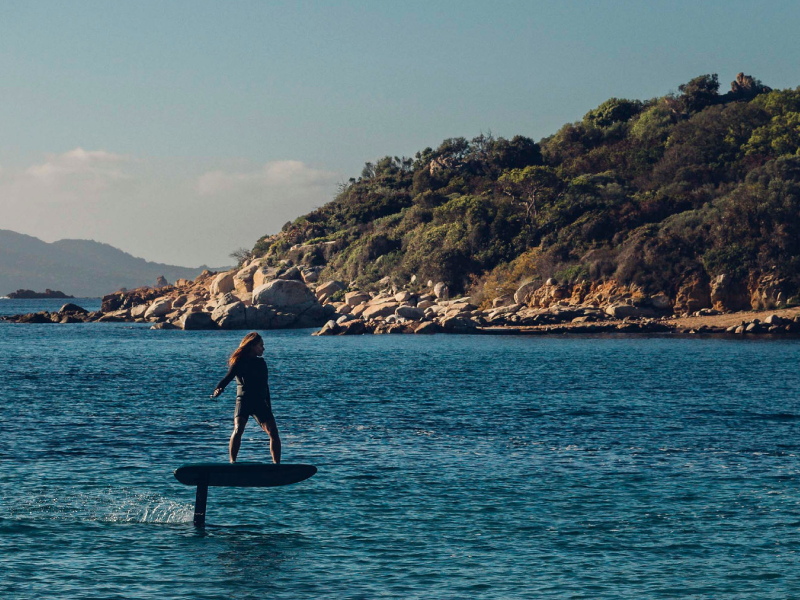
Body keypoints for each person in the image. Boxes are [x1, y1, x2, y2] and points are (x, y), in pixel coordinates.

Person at [212, 332, 281, 464]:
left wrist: (269, 408)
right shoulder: (239, 362)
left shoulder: (262, 363)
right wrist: (218, 389)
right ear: (252, 346)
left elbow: (265, 388)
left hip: (260, 403)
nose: (263, 348)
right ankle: (232, 462)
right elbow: (228, 377)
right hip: (243, 401)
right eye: (261, 345)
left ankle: (276, 465)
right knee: (238, 429)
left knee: (274, 432)